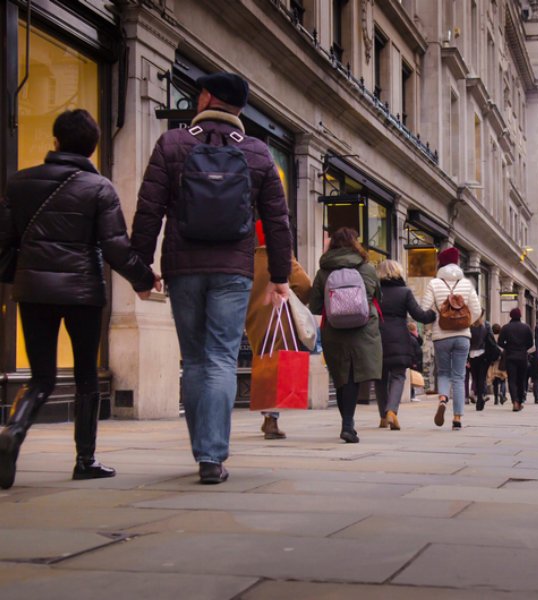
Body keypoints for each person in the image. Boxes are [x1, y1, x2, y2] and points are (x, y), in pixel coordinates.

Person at [132, 72, 293, 484]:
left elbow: (148, 209)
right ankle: (212, 457)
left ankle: (202, 450)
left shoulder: (172, 143)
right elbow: (278, 222)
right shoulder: (259, 154)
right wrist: (279, 275)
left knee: (196, 360)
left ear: (206, 98)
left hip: (182, 268)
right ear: (239, 108)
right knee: (222, 356)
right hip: (233, 271)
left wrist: (139, 269)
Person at [0, 109, 159, 489]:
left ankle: (15, 430)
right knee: (87, 375)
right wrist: (143, 278)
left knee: (41, 376)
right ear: (93, 147)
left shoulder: (18, 183)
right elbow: (115, 247)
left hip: (34, 290)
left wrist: (20, 274)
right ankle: (84, 460)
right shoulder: (99, 188)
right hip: (83, 293)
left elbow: (4, 242)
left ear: (54, 143)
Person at [309, 228, 382, 443]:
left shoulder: (324, 271)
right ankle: (348, 425)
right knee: (354, 377)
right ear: (355, 243)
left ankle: (347, 423)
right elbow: (377, 296)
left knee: (342, 378)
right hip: (363, 328)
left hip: (334, 329)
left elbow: (315, 305)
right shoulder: (367, 267)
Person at [246, 221, 312, 440]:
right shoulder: (283, 259)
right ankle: (271, 419)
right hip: (278, 320)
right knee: (275, 367)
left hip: (253, 321)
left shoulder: (249, 261)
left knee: (263, 365)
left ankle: (268, 415)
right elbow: (304, 286)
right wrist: (292, 299)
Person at [420, 247, 482, 430]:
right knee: (459, 376)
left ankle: (443, 399)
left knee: (444, 373)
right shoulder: (467, 284)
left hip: (441, 337)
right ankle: (457, 418)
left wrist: (435, 322)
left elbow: (425, 309)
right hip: (463, 337)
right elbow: (477, 310)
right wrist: (465, 323)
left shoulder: (434, 283)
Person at [375, 260, 435, 430]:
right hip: (399, 338)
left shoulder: (375, 292)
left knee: (380, 378)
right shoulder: (405, 292)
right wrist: (434, 314)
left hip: (377, 337)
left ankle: (382, 417)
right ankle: (392, 411)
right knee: (398, 376)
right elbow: (420, 315)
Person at [498, 308, 534, 412]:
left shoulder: (505, 328)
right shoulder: (526, 328)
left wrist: (508, 346)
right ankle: (520, 400)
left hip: (510, 357)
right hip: (522, 357)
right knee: (521, 380)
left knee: (512, 380)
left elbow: (500, 342)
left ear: (510, 316)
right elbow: (530, 343)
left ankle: (515, 401)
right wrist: (523, 348)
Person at [469, 313, 499, 411]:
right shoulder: (486, 325)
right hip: (483, 355)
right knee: (482, 377)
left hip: (472, 355)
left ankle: (479, 396)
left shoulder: (469, 325)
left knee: (475, 378)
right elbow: (491, 341)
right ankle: (480, 398)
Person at [489, 324, 508, 405]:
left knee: (495, 381)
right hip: (502, 362)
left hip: (494, 362)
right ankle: (502, 394)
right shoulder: (502, 338)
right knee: (503, 379)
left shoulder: (491, 338)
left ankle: (496, 399)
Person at [408, 322, 424, 402]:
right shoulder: (411, 338)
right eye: (416, 329)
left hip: (416, 361)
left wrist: (417, 335)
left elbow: (421, 342)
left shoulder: (414, 337)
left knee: (413, 379)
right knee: (412, 379)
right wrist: (414, 362)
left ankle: (413, 394)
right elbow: (412, 351)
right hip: (413, 362)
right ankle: (412, 395)